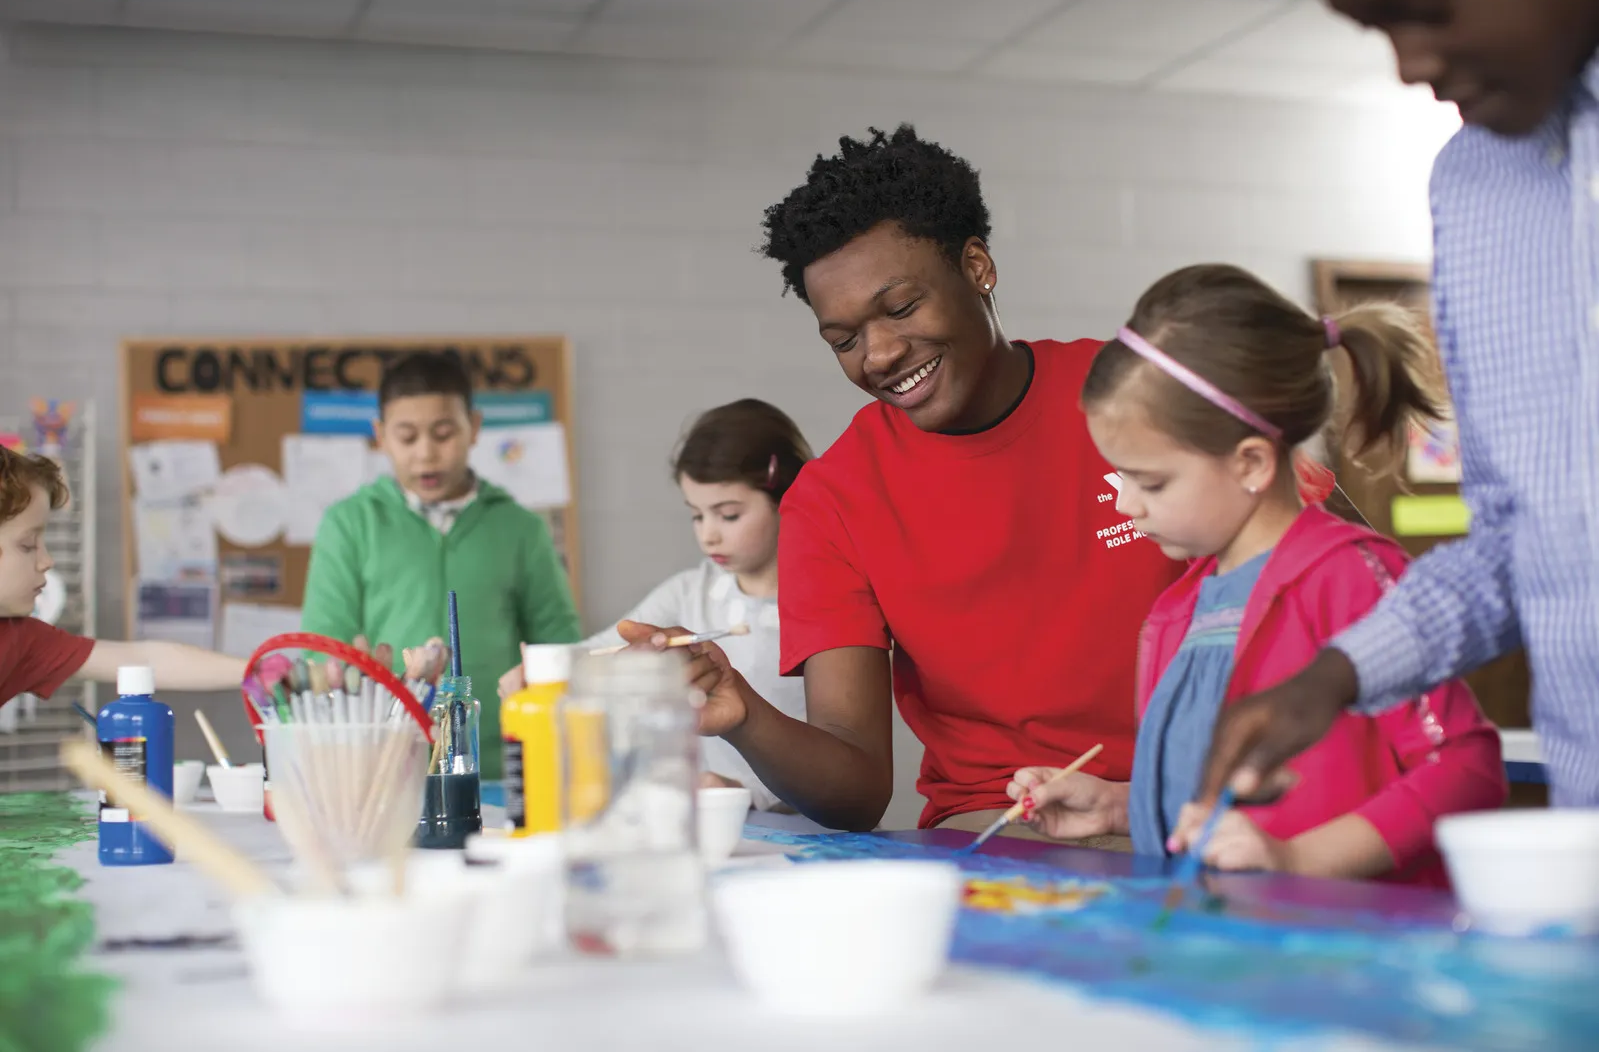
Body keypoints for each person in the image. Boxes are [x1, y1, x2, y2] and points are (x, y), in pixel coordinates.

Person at [618, 125, 1184, 836]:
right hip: (1004, 824)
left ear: (976, 266)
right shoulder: (832, 501)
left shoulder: (1134, 394)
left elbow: (1329, 565)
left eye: (901, 307)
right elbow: (854, 789)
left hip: (1203, 798)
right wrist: (742, 713)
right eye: (844, 340)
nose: (879, 354)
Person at [1199, 0, 1599, 811]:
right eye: (1374, 28)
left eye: (1424, 7)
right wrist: (1334, 675)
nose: (1408, 64)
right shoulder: (1475, 182)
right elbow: (1516, 541)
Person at [1011, 265, 1505, 884]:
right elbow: (1216, 802)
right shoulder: (1180, 607)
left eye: (1151, 482)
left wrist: (1298, 860)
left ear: (1249, 462)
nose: (1128, 506)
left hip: (1344, 954)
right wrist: (1117, 804)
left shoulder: (1350, 577)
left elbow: (1467, 768)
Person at [497, 398, 813, 812]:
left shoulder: (826, 603)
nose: (709, 536)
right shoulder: (689, 592)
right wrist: (543, 671)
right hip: (720, 819)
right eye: (697, 516)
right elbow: (605, 648)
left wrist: (746, 792)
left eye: (728, 515)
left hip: (811, 824)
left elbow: (838, 755)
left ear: (787, 497)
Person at [301, 350, 581, 781]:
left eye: (444, 432)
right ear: (380, 435)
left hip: (501, 765)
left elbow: (559, 647)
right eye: (407, 437)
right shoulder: (349, 524)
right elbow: (323, 650)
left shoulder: (520, 527)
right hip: (388, 765)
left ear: (475, 428)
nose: (426, 454)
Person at [0, 446, 246, 706]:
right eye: (27, 545)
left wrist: (253, 671)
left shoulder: (22, 641)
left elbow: (144, 662)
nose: (46, 560)